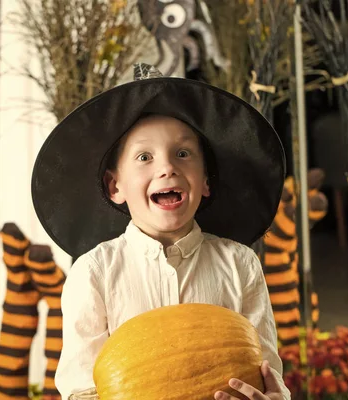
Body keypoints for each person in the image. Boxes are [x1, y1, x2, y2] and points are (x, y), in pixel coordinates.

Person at [31, 63, 291, 400]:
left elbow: (268, 373)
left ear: (206, 181)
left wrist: (272, 397)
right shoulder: (93, 274)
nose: (167, 167)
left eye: (183, 154)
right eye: (144, 157)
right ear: (115, 186)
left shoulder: (241, 264)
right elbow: (81, 390)